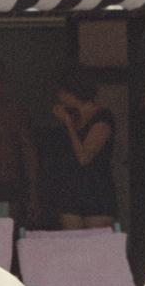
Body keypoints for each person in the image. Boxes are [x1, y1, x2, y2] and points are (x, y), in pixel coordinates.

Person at [49, 73, 117, 229]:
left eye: (61, 92)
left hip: (96, 190)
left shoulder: (102, 117)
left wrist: (68, 124)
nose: (59, 96)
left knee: (96, 246)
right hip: (71, 189)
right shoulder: (73, 117)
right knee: (73, 247)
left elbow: (84, 157)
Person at [0, 59, 40, 224]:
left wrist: (33, 193)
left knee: (7, 233)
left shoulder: (15, 112)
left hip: (9, 181)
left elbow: (29, 152)